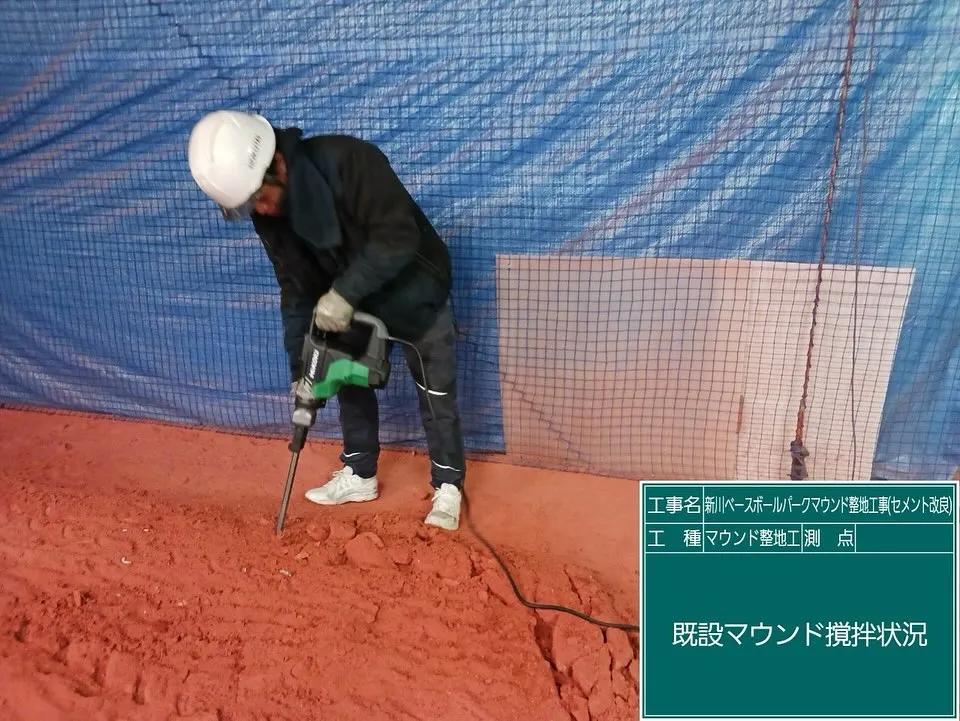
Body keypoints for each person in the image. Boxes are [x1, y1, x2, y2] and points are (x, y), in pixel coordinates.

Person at [187, 110, 466, 530]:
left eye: (259, 198)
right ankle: (359, 473)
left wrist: (344, 293)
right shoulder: (269, 216)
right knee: (343, 376)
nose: (259, 210)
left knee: (435, 389)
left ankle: (448, 486)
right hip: (350, 305)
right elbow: (296, 289)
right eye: (248, 207)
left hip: (414, 293)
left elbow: (398, 236)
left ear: (278, 164)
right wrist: (301, 371)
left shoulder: (351, 161)